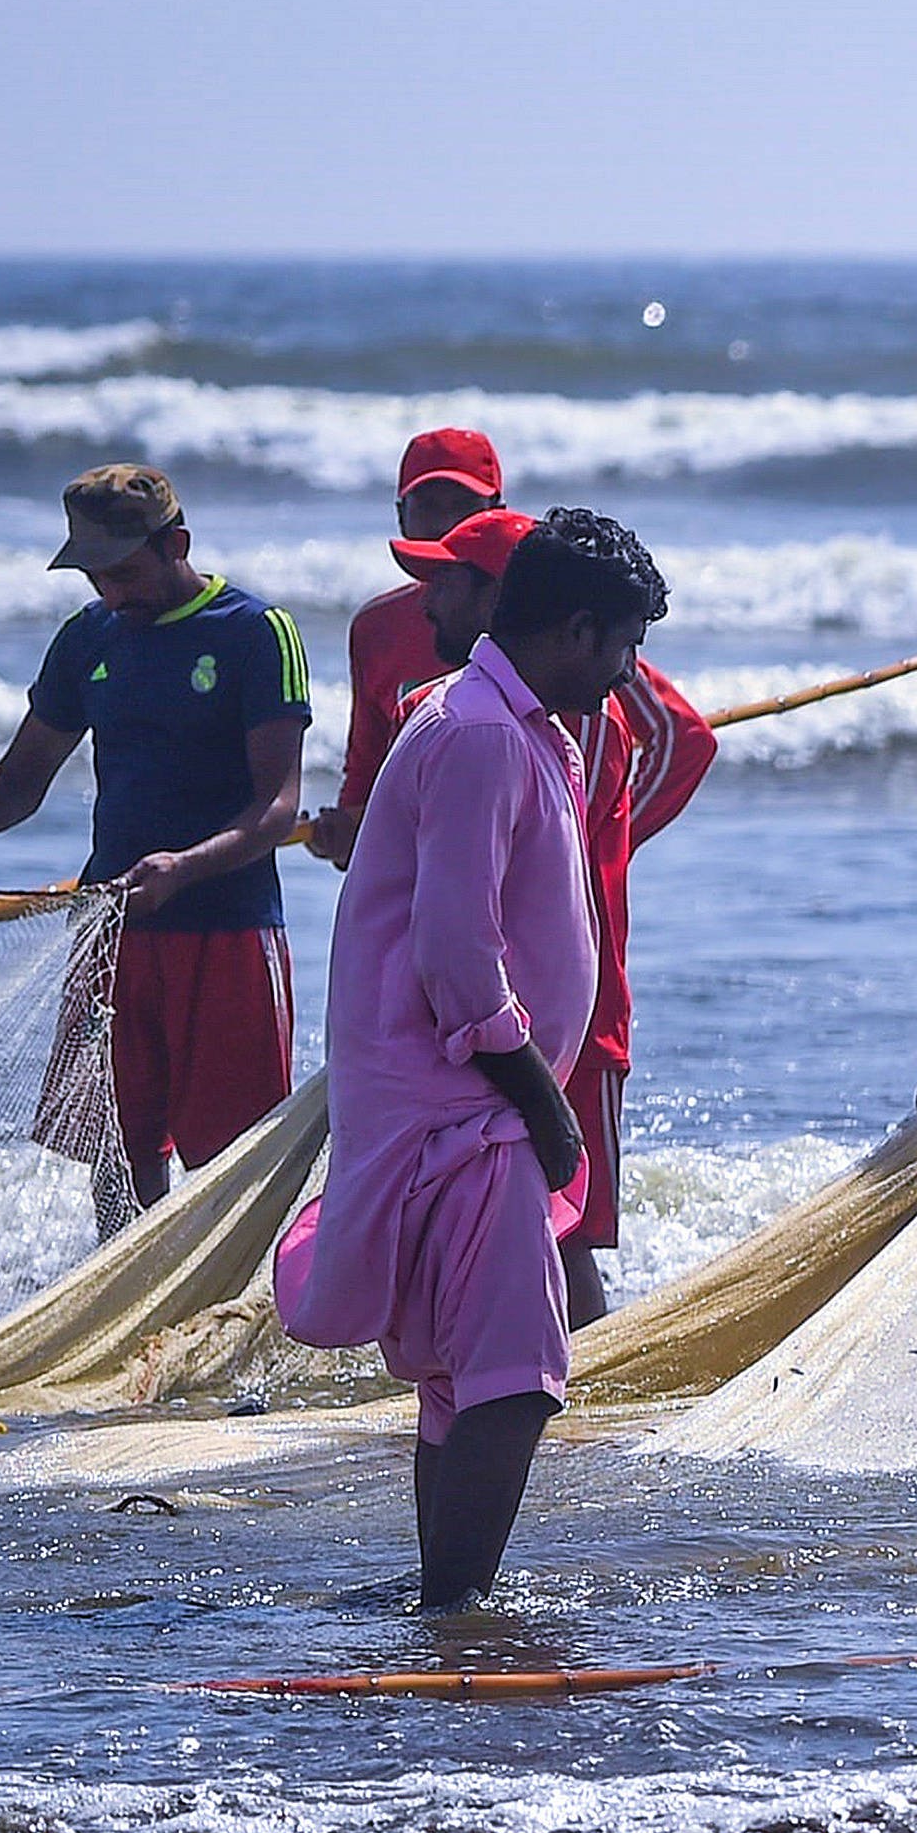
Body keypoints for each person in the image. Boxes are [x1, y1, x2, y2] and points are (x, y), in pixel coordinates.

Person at [268, 506, 667, 1608]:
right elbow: (454, 952)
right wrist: (543, 1101)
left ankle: (440, 1606)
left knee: (459, 1381)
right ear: (577, 631)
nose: (629, 671)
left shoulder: (518, 723)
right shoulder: (481, 733)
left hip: (462, 1101)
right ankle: (453, 1615)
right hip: (465, 1102)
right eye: (625, 646)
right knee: (514, 1383)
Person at [0, 465, 313, 1214]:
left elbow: (276, 806)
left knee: (233, 1162)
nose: (111, 592)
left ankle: (224, 1310)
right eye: (94, 574)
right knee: (117, 1148)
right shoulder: (88, 638)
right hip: (111, 929)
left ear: (176, 543)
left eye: (124, 571)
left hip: (226, 930)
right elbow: (13, 787)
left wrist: (184, 867)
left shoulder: (255, 633)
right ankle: (123, 1300)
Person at [417, 509, 720, 1323]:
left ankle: (589, 1393)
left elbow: (687, 740)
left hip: (572, 1021)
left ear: (500, 599)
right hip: (483, 1025)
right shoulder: (465, 713)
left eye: (447, 580)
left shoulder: (584, 703)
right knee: (504, 1228)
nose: (426, 600)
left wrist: (594, 852)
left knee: (568, 1231)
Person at [309, 424, 503, 867]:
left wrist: (596, 847)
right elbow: (367, 764)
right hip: (418, 869)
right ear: (401, 516)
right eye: (428, 507)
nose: (446, 524)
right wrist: (347, 835)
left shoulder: (535, 618)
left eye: (464, 507)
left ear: (497, 511)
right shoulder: (376, 627)